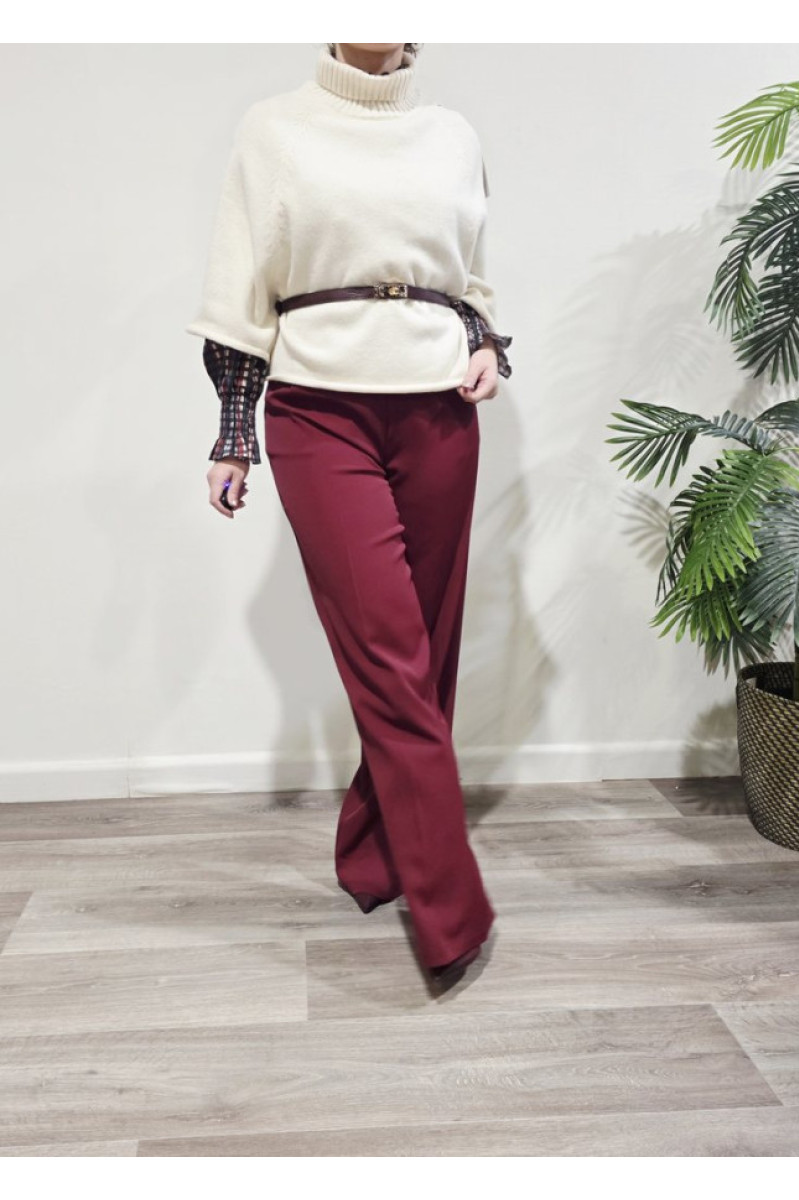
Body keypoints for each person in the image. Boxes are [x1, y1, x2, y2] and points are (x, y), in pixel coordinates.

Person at [186, 42, 513, 990]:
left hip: (442, 407)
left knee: (428, 647)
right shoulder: (273, 127)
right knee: (388, 649)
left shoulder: (452, 134)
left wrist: (487, 346)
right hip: (318, 406)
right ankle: (451, 907)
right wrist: (233, 435)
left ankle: (374, 857)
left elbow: (471, 277)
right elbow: (241, 290)